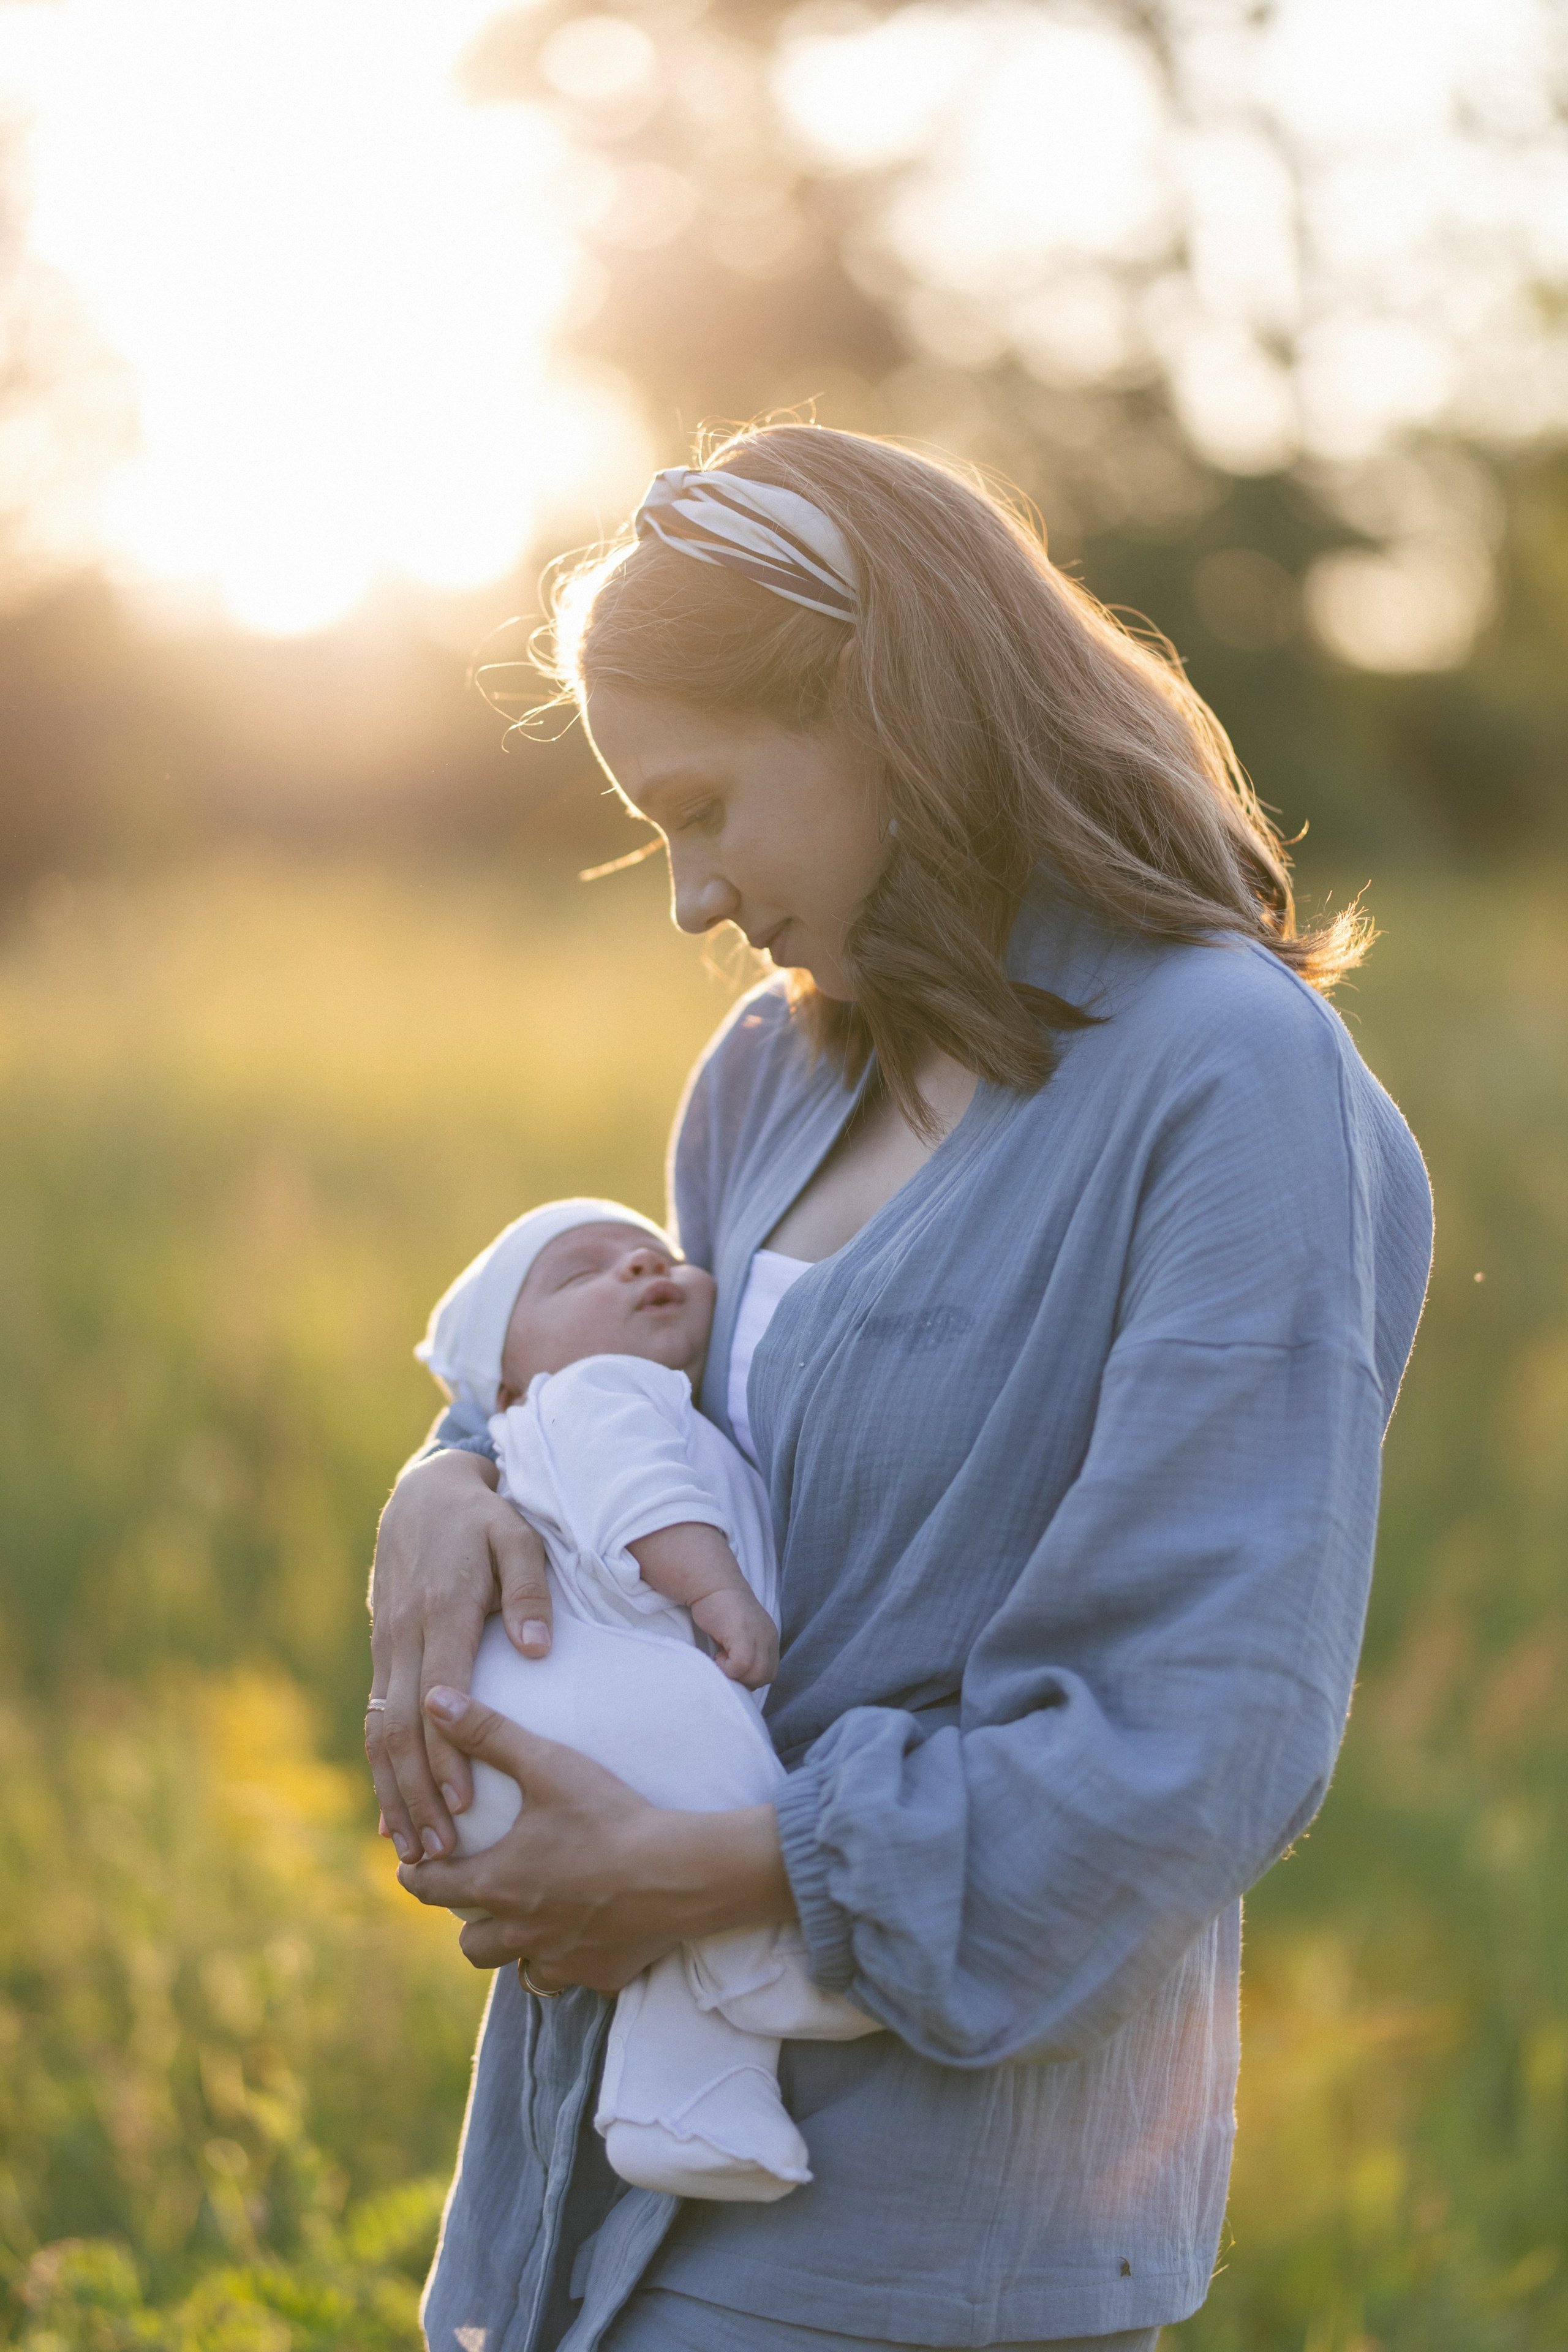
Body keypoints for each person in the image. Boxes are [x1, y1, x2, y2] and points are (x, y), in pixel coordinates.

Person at [366, 426, 1433, 2352]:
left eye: (706, 807)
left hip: (926, 2236)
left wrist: (705, 1871)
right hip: (581, 2168)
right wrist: (447, 1481)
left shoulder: (1225, 1078)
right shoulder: (772, 1080)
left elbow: (1202, 1727)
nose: (691, 899)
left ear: (894, 713)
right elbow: (637, 1423)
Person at [413, 1197, 874, 2204]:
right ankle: (773, 1960)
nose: (637, 1268)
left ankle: (682, 2110)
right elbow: (639, 1500)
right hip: (550, 1715)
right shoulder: (590, 1396)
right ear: (503, 1377)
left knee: (674, 1896)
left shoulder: (655, 1403)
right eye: (579, 1275)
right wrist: (716, 1592)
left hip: (539, 1741)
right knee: (711, 1749)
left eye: (658, 1254)